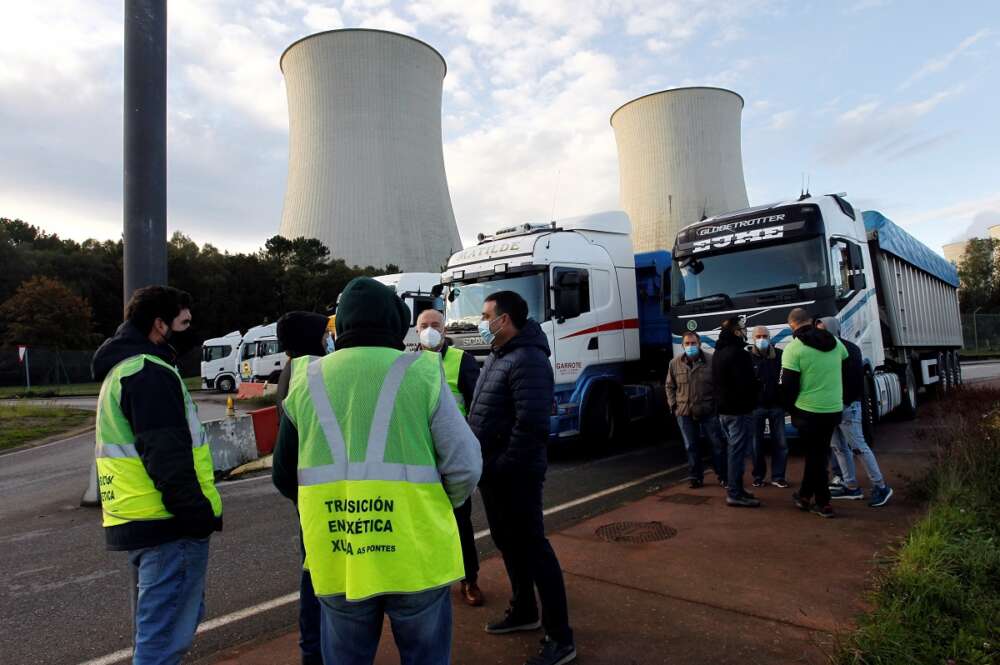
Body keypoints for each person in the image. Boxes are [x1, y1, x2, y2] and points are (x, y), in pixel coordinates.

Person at [271, 277, 482, 665]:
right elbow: (466, 465)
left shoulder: (307, 380)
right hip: (416, 553)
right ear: (394, 323)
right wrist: (437, 504)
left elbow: (284, 475)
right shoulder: (423, 373)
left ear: (342, 325)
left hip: (341, 553)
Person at [91, 285, 222, 665]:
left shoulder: (125, 369)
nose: (190, 330)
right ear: (159, 325)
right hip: (168, 525)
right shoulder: (149, 372)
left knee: (159, 631)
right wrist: (196, 515)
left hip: (144, 519)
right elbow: (166, 454)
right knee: (162, 640)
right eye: (184, 322)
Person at [467, 291, 576, 665]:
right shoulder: (499, 356)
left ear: (505, 318)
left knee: (533, 548)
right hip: (494, 473)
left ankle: (560, 636)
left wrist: (500, 465)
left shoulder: (528, 359)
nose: (482, 323)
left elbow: (530, 426)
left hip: (514, 475)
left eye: (486, 316)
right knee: (508, 544)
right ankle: (524, 610)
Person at [415, 307, 485, 606]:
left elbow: (476, 407)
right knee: (423, 523)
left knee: (460, 521)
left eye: (435, 325)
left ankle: (469, 580)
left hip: (452, 456)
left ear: (444, 330)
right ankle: (432, 580)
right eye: (424, 325)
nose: (429, 330)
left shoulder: (462, 361)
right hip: (421, 457)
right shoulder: (408, 363)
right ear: (416, 330)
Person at [274, 311, 333, 665]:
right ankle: (316, 650)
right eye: (324, 333)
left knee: (313, 568)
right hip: (319, 488)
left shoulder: (290, 370)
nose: (329, 339)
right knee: (318, 574)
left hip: (305, 487)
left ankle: (313, 649)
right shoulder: (312, 370)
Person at [816, 317, 893, 508]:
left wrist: (843, 402)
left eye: (822, 330)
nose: (819, 334)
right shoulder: (831, 349)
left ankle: (880, 486)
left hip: (845, 407)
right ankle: (850, 485)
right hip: (831, 407)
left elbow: (852, 381)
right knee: (839, 448)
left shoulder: (847, 350)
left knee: (858, 446)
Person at [780, 308, 849, 518]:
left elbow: (789, 386)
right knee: (817, 454)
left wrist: (790, 410)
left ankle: (824, 503)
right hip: (833, 409)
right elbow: (845, 368)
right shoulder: (836, 343)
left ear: (792, 325)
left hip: (808, 411)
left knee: (816, 457)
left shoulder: (793, 348)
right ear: (810, 321)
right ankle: (803, 495)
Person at [665, 331, 728, 489]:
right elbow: (669, 386)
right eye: (687, 344)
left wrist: (716, 406)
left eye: (693, 343)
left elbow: (719, 386)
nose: (690, 346)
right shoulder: (674, 363)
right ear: (682, 345)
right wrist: (674, 405)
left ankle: (723, 476)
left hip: (708, 410)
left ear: (699, 344)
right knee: (691, 446)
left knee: (716, 444)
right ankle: (695, 477)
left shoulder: (711, 361)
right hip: (684, 412)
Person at [712, 318, 761, 508]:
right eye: (742, 329)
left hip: (724, 410)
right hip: (738, 410)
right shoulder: (738, 354)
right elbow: (745, 383)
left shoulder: (719, 352)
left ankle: (737, 489)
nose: (744, 332)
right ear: (735, 332)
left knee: (734, 451)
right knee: (737, 453)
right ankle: (734, 492)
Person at [749, 326, 789, 489]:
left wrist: (785, 402)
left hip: (776, 406)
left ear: (770, 337)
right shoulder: (748, 358)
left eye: (764, 336)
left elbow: (785, 379)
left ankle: (778, 476)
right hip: (756, 407)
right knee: (755, 445)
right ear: (753, 339)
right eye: (758, 336)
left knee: (780, 443)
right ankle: (758, 476)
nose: (762, 339)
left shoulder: (780, 355)